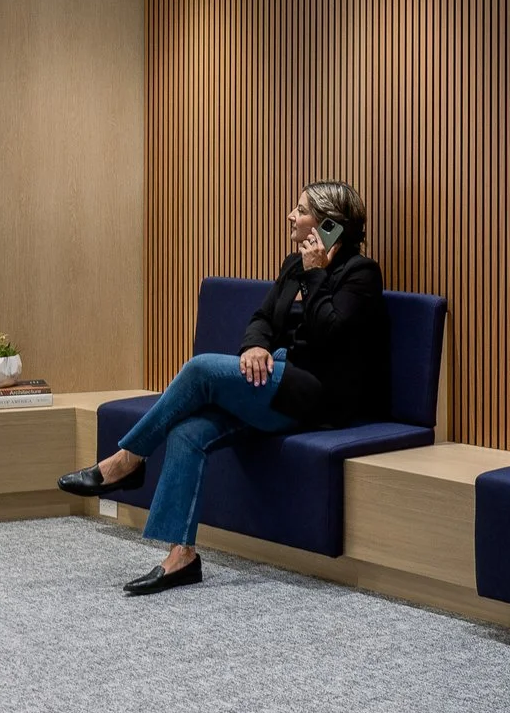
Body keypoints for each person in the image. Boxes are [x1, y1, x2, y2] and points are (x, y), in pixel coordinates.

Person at [59, 181, 389, 595]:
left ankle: (127, 460)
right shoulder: (293, 264)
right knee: (189, 431)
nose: (290, 215)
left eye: (301, 210)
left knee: (200, 369)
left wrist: (317, 273)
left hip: (318, 393)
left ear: (328, 224)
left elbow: (331, 335)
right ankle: (181, 558)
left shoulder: (360, 273)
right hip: (275, 381)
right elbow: (263, 318)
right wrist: (254, 347)